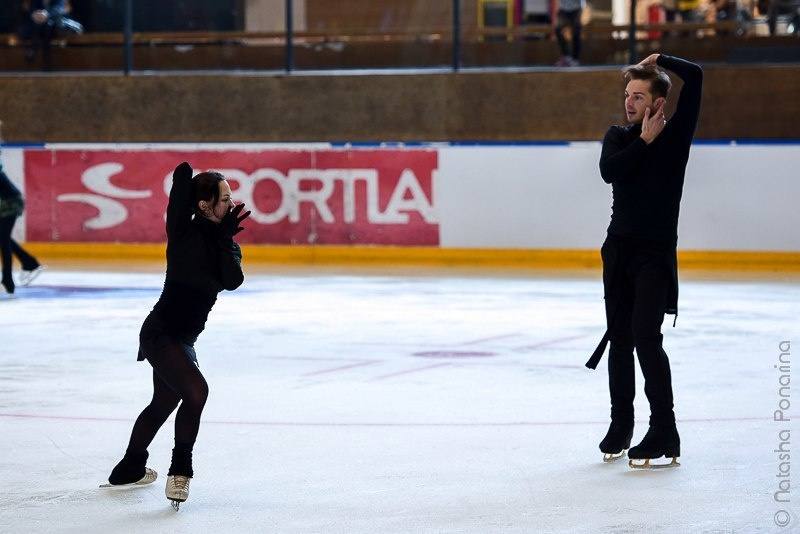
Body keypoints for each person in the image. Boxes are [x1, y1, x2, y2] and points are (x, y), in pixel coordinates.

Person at [106, 162, 250, 510]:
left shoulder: (226, 243)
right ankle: (180, 471)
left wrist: (223, 236)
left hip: (184, 340)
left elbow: (233, 281)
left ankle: (129, 468)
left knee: (163, 403)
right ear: (204, 205)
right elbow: (182, 178)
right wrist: (194, 186)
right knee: (196, 391)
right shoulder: (182, 232)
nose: (232, 204)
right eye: (225, 198)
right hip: (161, 331)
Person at [586, 54, 703, 469]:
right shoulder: (618, 136)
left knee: (645, 339)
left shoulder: (677, 137)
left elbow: (697, 76)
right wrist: (643, 141)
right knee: (619, 340)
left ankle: (664, 429)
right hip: (618, 251)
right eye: (627, 95)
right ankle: (621, 425)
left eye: (638, 96)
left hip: (654, 255)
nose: (630, 102)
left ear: (658, 103)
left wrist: (663, 59)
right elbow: (610, 173)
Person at [0, 120, 44, 296]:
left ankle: (8, 282)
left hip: (11, 202)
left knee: (3, 240)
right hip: (7, 202)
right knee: (2, 238)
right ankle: (30, 263)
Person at [552, 0, 585, 66]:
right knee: (558, 30)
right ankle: (566, 56)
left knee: (576, 33)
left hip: (576, 8)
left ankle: (575, 59)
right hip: (563, 8)